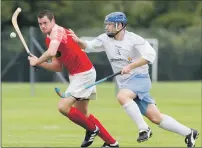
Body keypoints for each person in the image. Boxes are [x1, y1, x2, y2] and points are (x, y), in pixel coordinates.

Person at [67, 12, 199, 147]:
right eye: (106, 24)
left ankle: (144, 129)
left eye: (111, 25)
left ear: (120, 25)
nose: (107, 27)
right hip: (125, 82)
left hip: (139, 78)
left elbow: (150, 56)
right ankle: (189, 133)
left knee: (122, 96)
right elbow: (88, 46)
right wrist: (79, 41)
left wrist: (131, 66)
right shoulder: (104, 39)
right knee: (155, 117)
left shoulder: (134, 40)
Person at [28, 10, 119, 148]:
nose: (42, 26)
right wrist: (39, 63)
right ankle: (112, 143)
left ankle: (92, 129)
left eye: (45, 22)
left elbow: (51, 52)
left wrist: (37, 61)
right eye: (40, 23)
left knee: (63, 106)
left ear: (53, 21)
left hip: (84, 74)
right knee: (84, 114)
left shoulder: (57, 31)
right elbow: (57, 66)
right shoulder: (50, 39)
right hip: (80, 75)